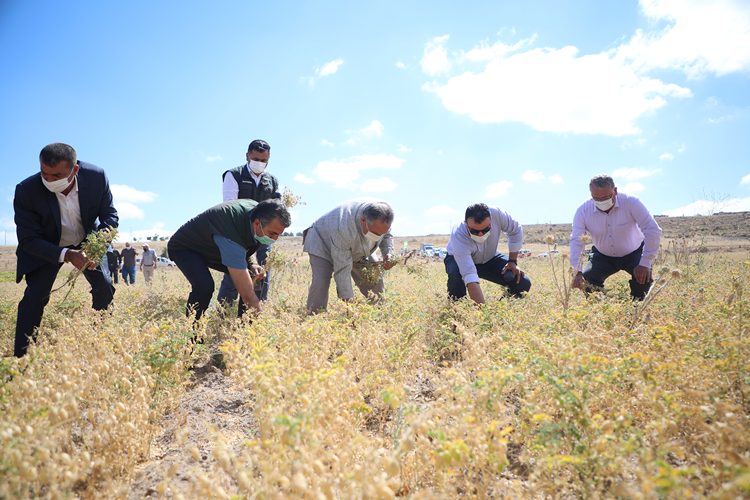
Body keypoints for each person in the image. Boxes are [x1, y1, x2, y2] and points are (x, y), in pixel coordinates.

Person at [13, 143, 118, 358]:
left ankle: (97, 346)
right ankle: (20, 361)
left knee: (105, 286)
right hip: (47, 247)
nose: (49, 181)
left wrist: (95, 249)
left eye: (57, 175)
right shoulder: (27, 190)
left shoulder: (96, 177)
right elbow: (28, 239)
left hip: (88, 242)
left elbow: (109, 216)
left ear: (74, 170)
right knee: (34, 297)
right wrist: (67, 255)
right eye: (45, 174)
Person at [168, 199, 291, 320]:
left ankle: (245, 330)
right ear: (257, 223)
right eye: (272, 233)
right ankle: (193, 334)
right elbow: (247, 295)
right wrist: (262, 325)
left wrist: (252, 264)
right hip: (186, 247)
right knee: (204, 286)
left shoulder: (259, 215)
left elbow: (244, 245)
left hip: (214, 247)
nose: (275, 239)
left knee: (254, 275)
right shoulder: (231, 229)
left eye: (278, 234)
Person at [570, 174, 662, 300]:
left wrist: (645, 263)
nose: (601, 202)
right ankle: (599, 309)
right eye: (596, 198)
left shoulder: (632, 202)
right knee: (588, 278)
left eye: (606, 197)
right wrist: (577, 272)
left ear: (615, 191)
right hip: (602, 255)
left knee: (643, 279)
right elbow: (577, 241)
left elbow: (653, 230)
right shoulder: (582, 210)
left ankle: (636, 310)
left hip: (634, 253)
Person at [217, 139, 282, 307]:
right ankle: (224, 312)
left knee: (263, 270)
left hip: (263, 235)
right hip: (239, 233)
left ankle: (256, 311)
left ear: (268, 160)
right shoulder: (234, 175)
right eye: (256, 159)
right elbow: (230, 207)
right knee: (235, 271)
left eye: (263, 161)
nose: (259, 163)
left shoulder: (273, 180)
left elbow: (277, 207)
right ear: (247, 156)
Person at [303, 199, 395, 313]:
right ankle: (315, 317)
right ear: (363, 220)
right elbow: (343, 268)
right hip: (322, 243)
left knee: (374, 276)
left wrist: (389, 253)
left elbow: (386, 235)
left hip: (358, 248)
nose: (379, 236)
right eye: (376, 233)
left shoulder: (384, 215)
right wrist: (349, 309)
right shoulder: (343, 226)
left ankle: (380, 314)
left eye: (382, 233)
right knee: (321, 281)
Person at [445, 203, 531, 303]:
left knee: (522, 283)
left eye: (486, 229)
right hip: (458, 259)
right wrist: (482, 313)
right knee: (456, 281)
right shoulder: (459, 234)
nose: (481, 235)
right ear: (466, 224)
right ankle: (458, 311)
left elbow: (516, 230)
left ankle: (503, 308)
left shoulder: (498, 214)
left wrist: (512, 261)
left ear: (491, 221)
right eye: (474, 231)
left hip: (489, 258)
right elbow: (469, 275)